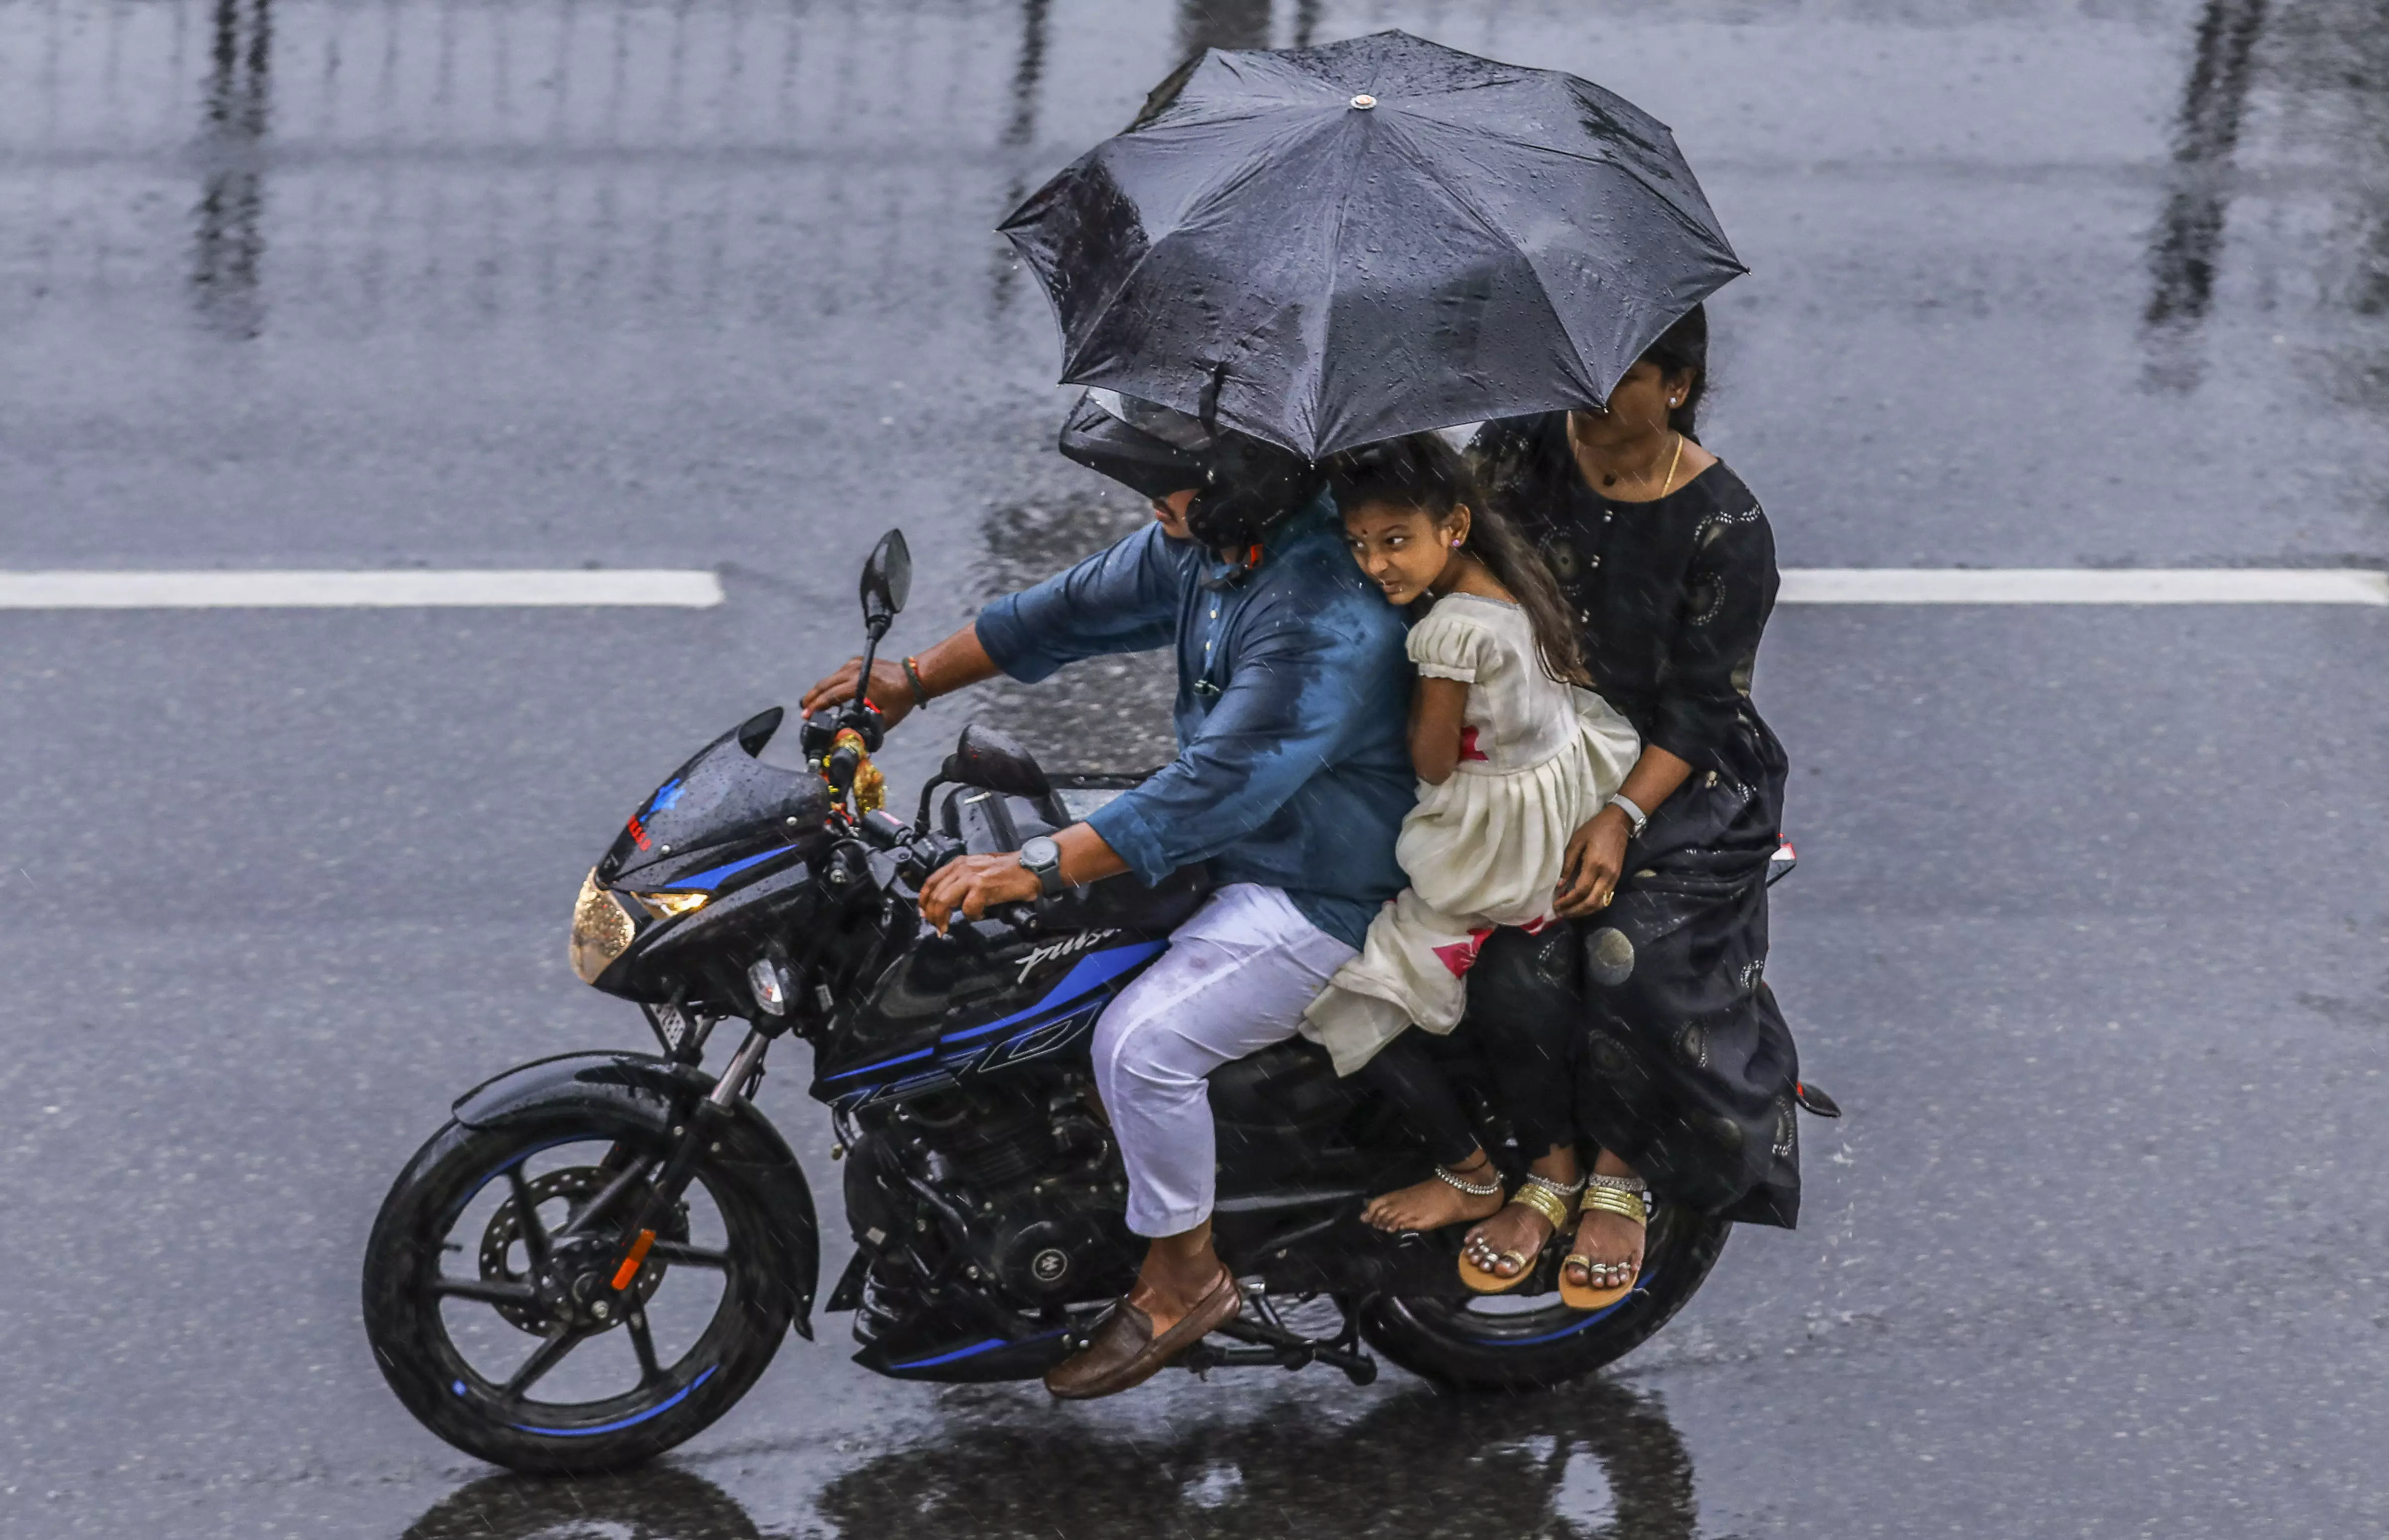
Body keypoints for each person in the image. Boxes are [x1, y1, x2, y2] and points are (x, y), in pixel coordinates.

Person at [799, 388, 1414, 1398]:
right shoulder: (1219, 544)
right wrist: (911, 679)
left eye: (1158, 488)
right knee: (1016, 948)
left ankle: (1185, 1275)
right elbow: (1070, 609)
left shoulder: (1320, 609)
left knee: (1140, 1044)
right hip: (1238, 840)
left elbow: (1218, 787)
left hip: (1320, 883)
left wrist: (1031, 865)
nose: (1147, 507)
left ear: (1232, 486)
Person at [1456, 304, 1803, 1312]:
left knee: (1627, 954)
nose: (1588, 405)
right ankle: (1551, 1159)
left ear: (1678, 389)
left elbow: (1701, 706)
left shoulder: (1728, 530)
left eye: (1618, 383)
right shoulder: (1521, 446)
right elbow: (1455, 549)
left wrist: (1617, 816)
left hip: (1678, 774)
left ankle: (1623, 1164)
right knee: (1506, 953)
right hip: (1537, 740)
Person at [1296, 435, 1641, 1296]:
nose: (1376, 563)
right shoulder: (1500, 579)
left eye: (1395, 540)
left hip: (1497, 842)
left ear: (1452, 526)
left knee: (1349, 994)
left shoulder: (1446, 632)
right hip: (1559, 786)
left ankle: (1469, 1168)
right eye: (1359, 544)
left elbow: (1435, 760)